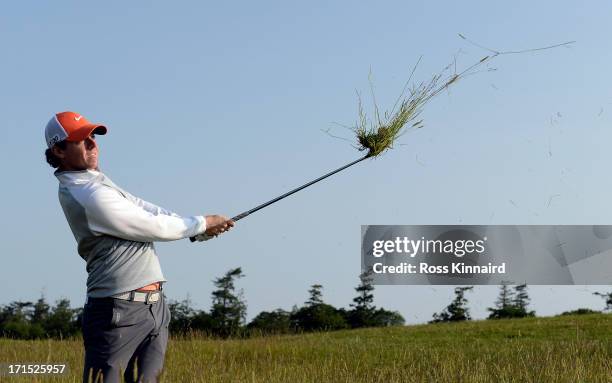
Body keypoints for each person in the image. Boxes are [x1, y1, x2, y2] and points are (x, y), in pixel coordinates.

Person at [44, 111, 234, 382]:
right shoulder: (87, 195)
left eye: (92, 138)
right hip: (116, 311)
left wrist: (196, 230)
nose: (92, 144)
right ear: (59, 150)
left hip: (155, 307)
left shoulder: (96, 181)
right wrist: (202, 223)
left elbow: (145, 208)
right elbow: (150, 225)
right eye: (81, 140)